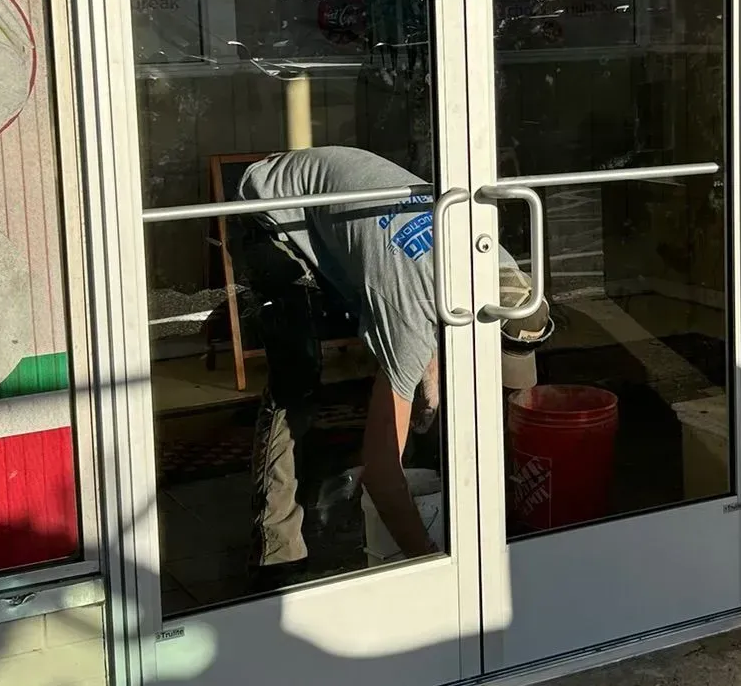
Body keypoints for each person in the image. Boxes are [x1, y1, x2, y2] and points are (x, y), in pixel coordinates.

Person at [233, 146, 547, 569]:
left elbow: (435, 321)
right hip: (274, 205)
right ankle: (277, 548)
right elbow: (380, 474)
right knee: (296, 380)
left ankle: (401, 480)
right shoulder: (410, 313)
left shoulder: (498, 265)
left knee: (412, 374)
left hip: (349, 211)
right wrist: (433, 564)